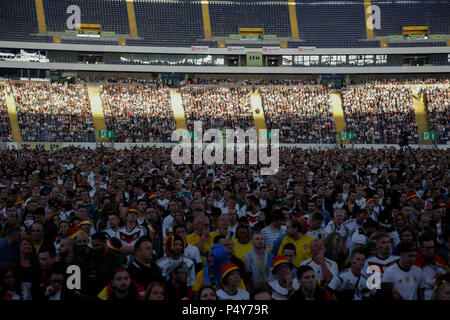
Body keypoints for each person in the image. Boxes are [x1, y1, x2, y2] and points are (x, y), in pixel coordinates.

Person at [414, 235, 449, 300]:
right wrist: (438, 280)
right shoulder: (415, 263)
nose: (431, 250)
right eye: (428, 248)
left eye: (432, 247)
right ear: (420, 248)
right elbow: (420, 284)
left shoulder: (437, 260)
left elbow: (447, 276)